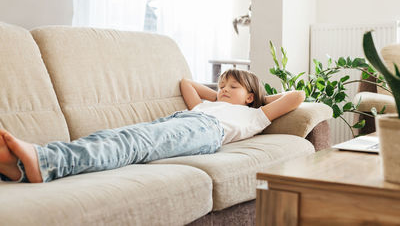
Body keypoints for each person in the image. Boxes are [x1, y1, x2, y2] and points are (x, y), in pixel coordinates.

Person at [0, 69, 305, 183]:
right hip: (183, 122)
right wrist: (221, 95)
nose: (223, 89)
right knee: (116, 136)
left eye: (232, 87)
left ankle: (45, 161)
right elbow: (187, 83)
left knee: (130, 145)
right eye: (221, 84)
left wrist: (256, 101)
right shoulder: (211, 103)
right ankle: (23, 167)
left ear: (250, 96)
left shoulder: (254, 115)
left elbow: (297, 95)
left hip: (203, 132)